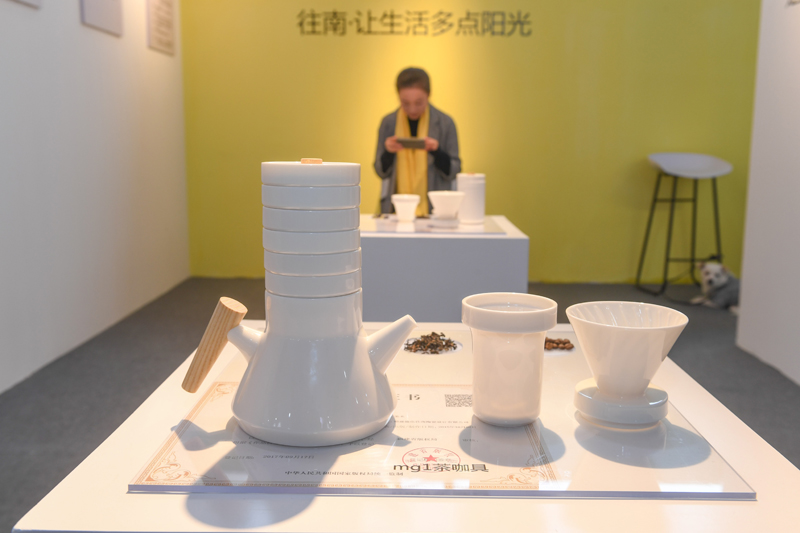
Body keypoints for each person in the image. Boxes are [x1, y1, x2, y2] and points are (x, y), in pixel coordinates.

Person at [373, 67, 461, 215]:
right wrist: (388, 153)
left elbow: (454, 170)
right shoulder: (388, 123)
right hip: (395, 211)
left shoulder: (445, 123)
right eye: (405, 103)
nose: (412, 109)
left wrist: (437, 152)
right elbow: (380, 171)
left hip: (435, 211)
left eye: (419, 102)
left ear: (429, 95)